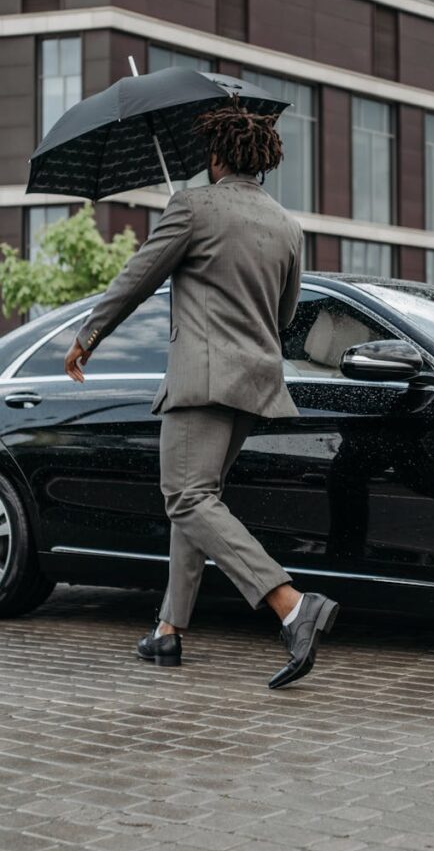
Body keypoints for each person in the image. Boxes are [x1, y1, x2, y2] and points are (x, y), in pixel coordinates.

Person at [64, 102, 339, 689]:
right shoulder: (288, 226)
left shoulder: (191, 205)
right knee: (199, 498)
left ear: (215, 156)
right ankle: (168, 630)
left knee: (186, 498)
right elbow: (284, 314)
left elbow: (138, 276)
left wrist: (88, 335)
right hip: (257, 382)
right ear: (261, 162)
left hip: (203, 379)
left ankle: (291, 604)